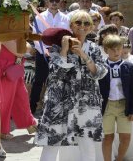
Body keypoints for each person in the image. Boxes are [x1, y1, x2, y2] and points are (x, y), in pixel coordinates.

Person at [35, 10, 108, 161]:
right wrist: (64, 50)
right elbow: (55, 74)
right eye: (78, 22)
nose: (82, 26)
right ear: (71, 25)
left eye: (87, 23)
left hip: (86, 104)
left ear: (91, 27)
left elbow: (100, 73)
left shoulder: (94, 49)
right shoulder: (57, 47)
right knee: (51, 144)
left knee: (87, 146)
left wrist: (83, 55)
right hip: (60, 103)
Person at [30, 0, 70, 114]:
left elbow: (67, 35)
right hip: (42, 53)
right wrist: (45, 51)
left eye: (56, 1)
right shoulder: (39, 17)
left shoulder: (66, 18)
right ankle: (32, 108)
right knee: (39, 80)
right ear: (47, 2)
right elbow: (36, 36)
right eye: (51, 0)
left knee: (59, 80)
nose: (54, 3)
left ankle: (57, 108)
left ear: (60, 2)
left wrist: (61, 50)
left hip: (60, 53)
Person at [99, 35, 133, 161]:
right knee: (108, 137)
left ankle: (119, 159)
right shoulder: (101, 67)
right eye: (112, 49)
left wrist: (132, 109)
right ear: (106, 50)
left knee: (126, 137)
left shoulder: (128, 66)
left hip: (124, 106)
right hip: (107, 106)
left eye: (119, 49)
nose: (116, 52)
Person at [0, 40, 37, 139]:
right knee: (5, 101)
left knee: (22, 97)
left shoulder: (18, 33)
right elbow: (21, 51)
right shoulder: (4, 34)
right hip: (5, 71)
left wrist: (25, 47)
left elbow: (28, 48)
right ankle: (2, 130)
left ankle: (30, 123)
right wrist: (26, 47)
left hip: (16, 69)